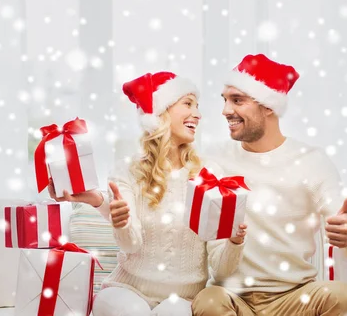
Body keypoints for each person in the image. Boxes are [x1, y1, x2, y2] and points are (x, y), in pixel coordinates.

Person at [49, 71, 247, 316]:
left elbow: (222, 269)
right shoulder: (127, 171)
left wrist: (234, 242)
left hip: (183, 298)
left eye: (197, 106)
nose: (198, 114)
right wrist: (121, 222)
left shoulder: (209, 175)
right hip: (127, 289)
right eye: (187, 104)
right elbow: (131, 244)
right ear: (160, 114)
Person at [191, 54, 347, 316]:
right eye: (225, 100)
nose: (226, 110)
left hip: (295, 296)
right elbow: (218, 266)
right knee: (209, 300)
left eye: (237, 100)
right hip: (232, 297)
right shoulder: (215, 161)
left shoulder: (310, 161)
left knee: (343, 296)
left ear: (268, 106)